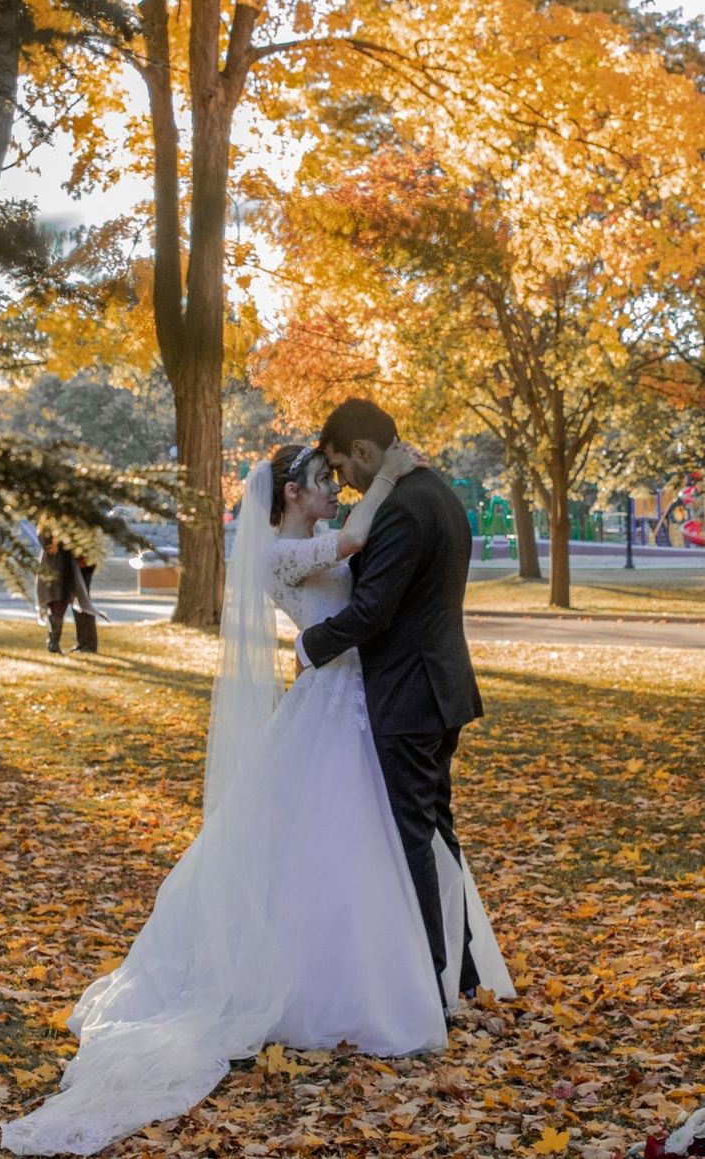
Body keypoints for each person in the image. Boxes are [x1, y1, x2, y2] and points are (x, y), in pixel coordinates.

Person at [2, 436, 512, 1156]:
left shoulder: (319, 541)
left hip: (362, 702)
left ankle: (415, 965)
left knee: (368, 843)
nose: (332, 486)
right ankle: (372, 979)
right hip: (335, 703)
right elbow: (358, 537)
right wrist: (393, 472)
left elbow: (364, 564)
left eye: (334, 477)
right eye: (319, 480)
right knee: (339, 841)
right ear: (292, 497)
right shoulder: (284, 554)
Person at [298, 398, 491, 1003]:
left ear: (362, 451)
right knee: (435, 834)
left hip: (410, 695)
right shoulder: (434, 491)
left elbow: (373, 611)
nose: (341, 482)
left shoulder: (402, 510)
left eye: (339, 466)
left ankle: (427, 986)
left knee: (412, 841)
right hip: (440, 689)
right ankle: (457, 972)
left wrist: (310, 645)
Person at [36, 532, 92, 655]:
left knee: (60, 603)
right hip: (56, 566)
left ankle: (54, 642)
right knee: (56, 602)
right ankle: (53, 642)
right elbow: (46, 541)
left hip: (65, 566)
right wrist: (56, 542)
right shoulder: (48, 525)